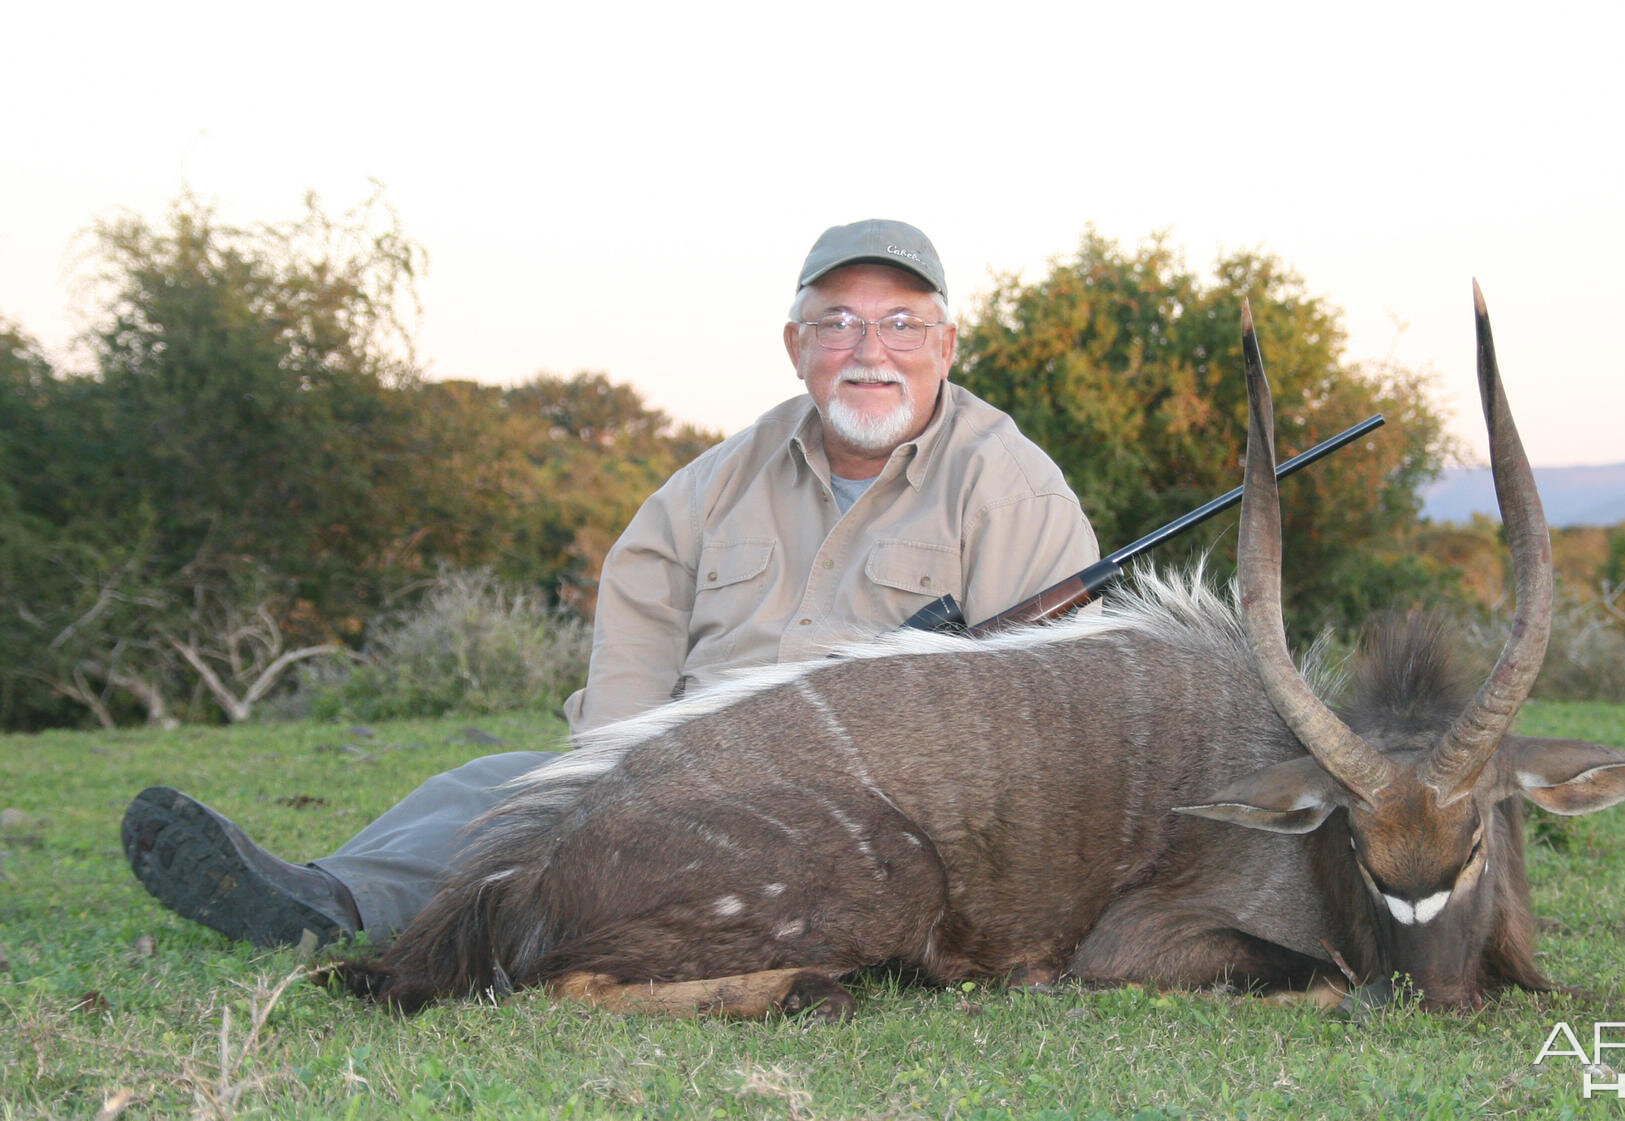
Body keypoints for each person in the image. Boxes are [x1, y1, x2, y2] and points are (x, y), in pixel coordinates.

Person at [122, 219, 1101, 948]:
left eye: (900, 323)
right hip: (690, 773)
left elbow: (1052, 721)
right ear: (797, 345)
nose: (869, 351)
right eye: (837, 324)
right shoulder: (716, 479)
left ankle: (489, 921)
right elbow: (635, 634)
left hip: (873, 821)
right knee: (497, 784)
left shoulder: (1010, 486)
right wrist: (609, 780)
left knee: (587, 864)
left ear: (946, 344)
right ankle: (323, 898)